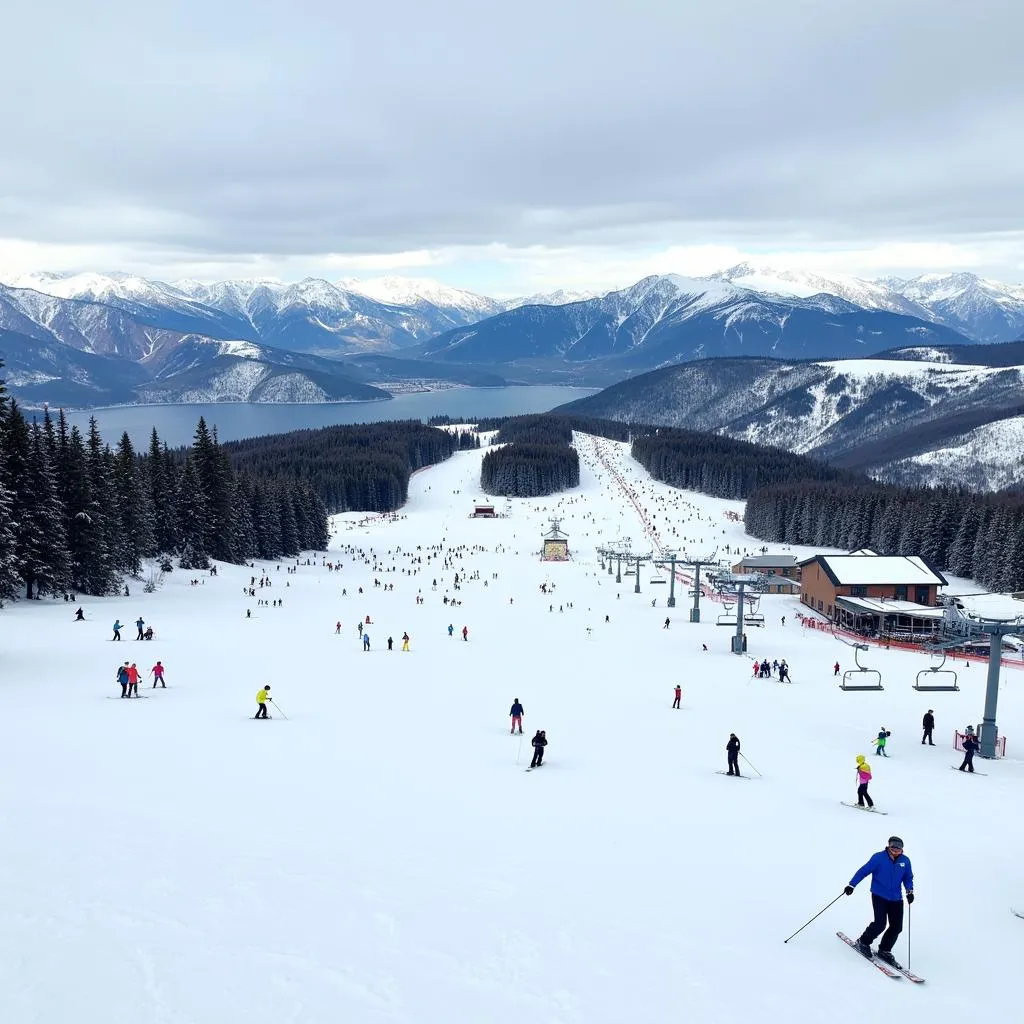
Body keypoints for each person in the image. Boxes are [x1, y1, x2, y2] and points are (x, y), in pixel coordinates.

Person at [844, 836, 915, 968]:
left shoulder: (905, 861)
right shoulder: (878, 858)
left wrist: (909, 891)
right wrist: (851, 885)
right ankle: (863, 942)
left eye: (898, 848)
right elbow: (863, 871)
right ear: (888, 846)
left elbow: (908, 877)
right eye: (893, 847)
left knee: (896, 927)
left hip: (896, 898)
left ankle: (884, 950)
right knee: (880, 923)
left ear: (902, 850)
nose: (895, 850)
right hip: (879, 895)